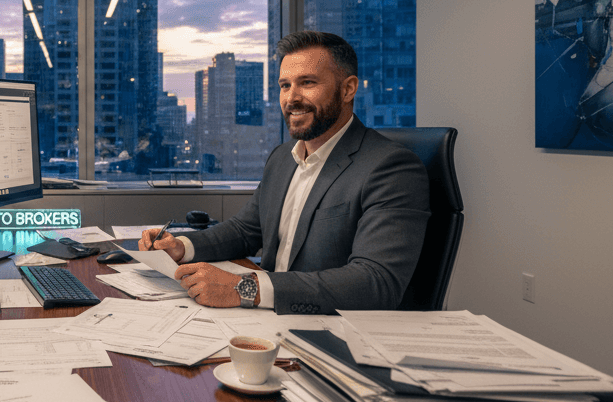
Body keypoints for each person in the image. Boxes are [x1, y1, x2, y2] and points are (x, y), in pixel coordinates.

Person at [138, 31, 430, 314]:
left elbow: (375, 282)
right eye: (285, 85)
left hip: (327, 329)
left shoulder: (391, 168)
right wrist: (182, 246)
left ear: (347, 89)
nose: (292, 98)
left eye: (307, 82)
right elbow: (245, 231)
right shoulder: (282, 158)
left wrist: (245, 288)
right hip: (267, 318)